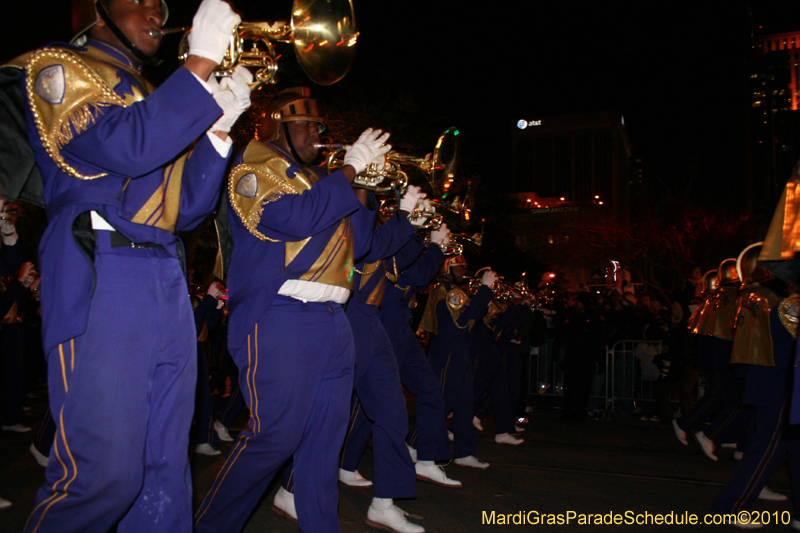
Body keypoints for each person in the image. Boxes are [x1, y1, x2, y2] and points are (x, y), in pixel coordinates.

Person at [15, 0, 249, 531]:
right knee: (102, 476)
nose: (154, 10)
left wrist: (217, 132)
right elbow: (127, 146)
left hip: (163, 274)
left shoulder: (150, 95)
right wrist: (199, 66)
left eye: (159, 3)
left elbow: (184, 208)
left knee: (163, 472)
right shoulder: (59, 66)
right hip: (104, 270)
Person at [193, 87, 395, 533]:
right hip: (280, 317)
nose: (318, 135)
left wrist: (360, 188)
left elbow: (358, 247)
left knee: (324, 444)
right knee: (274, 437)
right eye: (308, 124)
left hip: (332, 322)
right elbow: (292, 221)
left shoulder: (320, 180)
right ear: (276, 124)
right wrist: (348, 171)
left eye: (321, 127)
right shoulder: (253, 166)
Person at [420, 254, 496, 468]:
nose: (464, 270)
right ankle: (414, 444)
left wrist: (484, 298)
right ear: (448, 268)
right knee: (440, 402)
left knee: (464, 405)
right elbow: (464, 319)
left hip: (458, 350)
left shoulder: (452, 288)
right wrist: (485, 290)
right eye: (459, 266)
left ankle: (464, 452)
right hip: (449, 352)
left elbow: (470, 317)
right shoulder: (448, 289)